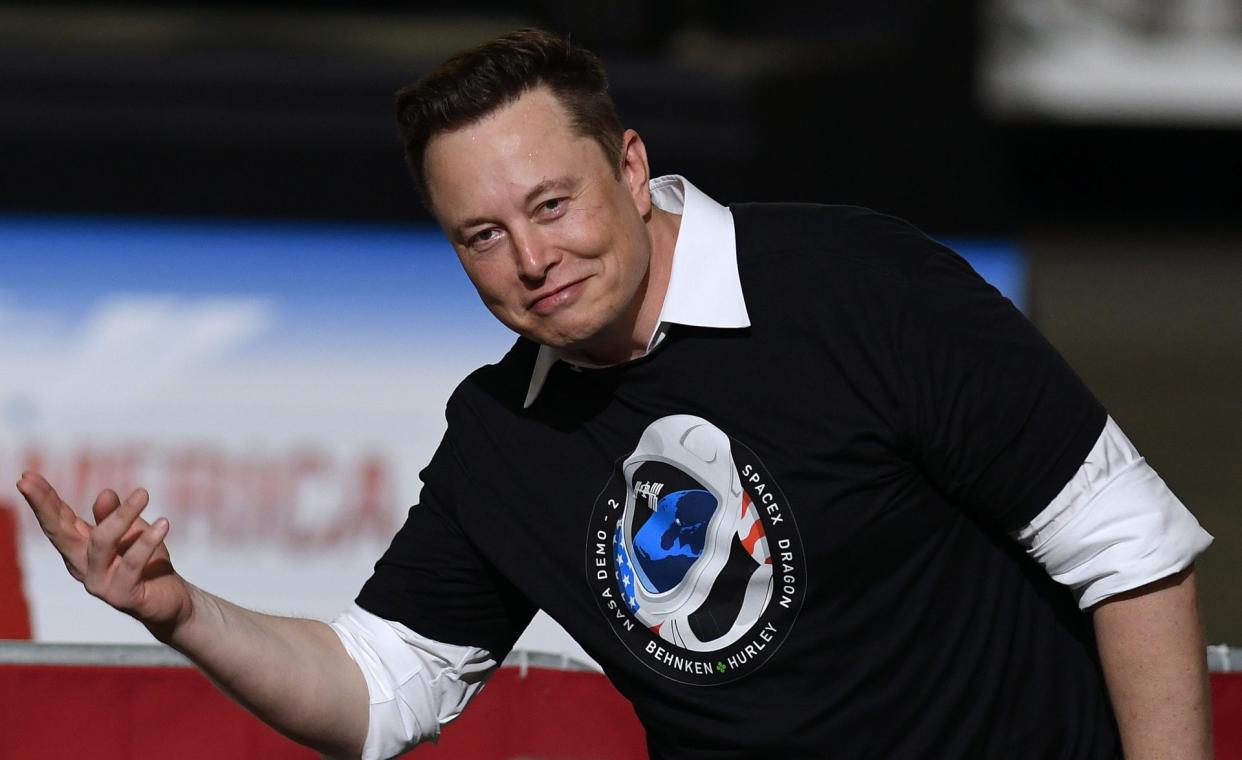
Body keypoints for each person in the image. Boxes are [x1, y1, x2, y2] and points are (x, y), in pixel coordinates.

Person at [17, 28, 1215, 760]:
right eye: (482, 235)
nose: (531, 259)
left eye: (552, 205)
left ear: (632, 166)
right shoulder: (503, 435)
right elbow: (378, 692)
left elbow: (1129, 547)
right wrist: (178, 611)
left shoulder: (861, 285)